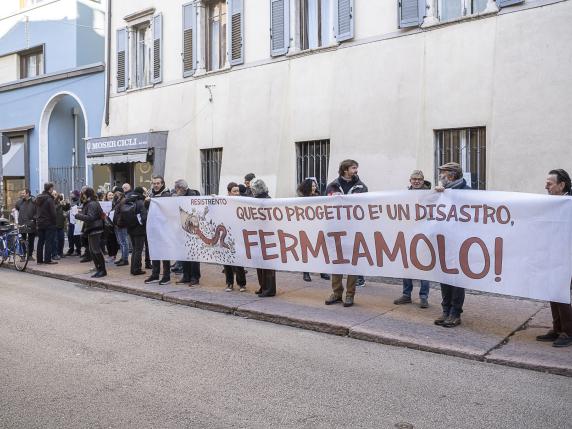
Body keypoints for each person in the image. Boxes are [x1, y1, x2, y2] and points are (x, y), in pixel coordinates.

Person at [536, 169, 572, 347]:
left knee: (562, 293)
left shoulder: (569, 203)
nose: (546, 186)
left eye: (549, 183)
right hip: (552, 253)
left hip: (566, 256)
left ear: (562, 185)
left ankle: (568, 331)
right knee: (553, 291)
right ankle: (557, 328)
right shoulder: (553, 203)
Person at [325, 159, 368, 307]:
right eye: (353, 168)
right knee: (337, 262)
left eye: (356, 168)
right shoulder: (332, 186)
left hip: (354, 231)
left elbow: (366, 207)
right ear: (345, 170)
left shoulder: (361, 187)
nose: (356, 170)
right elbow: (326, 207)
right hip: (336, 230)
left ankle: (350, 295)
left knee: (352, 263)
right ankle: (336, 293)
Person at [433, 162, 471, 328]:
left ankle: (455, 313)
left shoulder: (467, 192)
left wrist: (448, 194)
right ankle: (445, 310)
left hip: (460, 242)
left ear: (452, 175)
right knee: (444, 276)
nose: (440, 176)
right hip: (444, 241)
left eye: (443, 173)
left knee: (457, 278)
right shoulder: (441, 192)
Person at [394, 170, 432, 308]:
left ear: (423, 181)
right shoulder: (404, 194)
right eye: (414, 179)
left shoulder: (430, 195)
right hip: (407, 234)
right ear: (410, 181)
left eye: (419, 179)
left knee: (424, 266)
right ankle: (406, 294)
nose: (416, 181)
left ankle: (423, 296)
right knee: (407, 265)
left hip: (424, 235)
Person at [297, 177, 330, 283]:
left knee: (320, 249)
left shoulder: (319, 197)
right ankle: (306, 272)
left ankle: (322, 271)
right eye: (312, 185)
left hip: (318, 227)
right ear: (307, 187)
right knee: (306, 249)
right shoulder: (302, 199)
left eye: (315, 185)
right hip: (306, 227)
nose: (314, 187)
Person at [249, 178, 276, 297]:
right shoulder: (255, 201)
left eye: (254, 189)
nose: (253, 191)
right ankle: (263, 286)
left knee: (268, 265)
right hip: (258, 235)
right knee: (259, 264)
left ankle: (269, 289)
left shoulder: (268, 201)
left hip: (268, 237)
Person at [173, 180, 202, 285]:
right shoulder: (179, 197)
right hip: (183, 230)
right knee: (184, 254)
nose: (175, 191)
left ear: (180, 189)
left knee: (193, 256)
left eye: (176, 189)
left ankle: (195, 277)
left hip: (193, 230)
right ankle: (186, 276)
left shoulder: (193, 196)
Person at [145, 176, 172, 285]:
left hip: (164, 228)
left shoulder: (166, 195)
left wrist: (151, 200)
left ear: (162, 184)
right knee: (154, 251)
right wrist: (147, 201)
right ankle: (155, 275)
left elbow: (166, 207)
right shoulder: (151, 194)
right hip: (153, 227)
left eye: (158, 183)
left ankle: (166, 276)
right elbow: (146, 207)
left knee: (165, 253)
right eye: (154, 183)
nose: (155, 185)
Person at [74, 188, 106, 278]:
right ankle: (99, 269)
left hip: (95, 229)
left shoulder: (92, 203)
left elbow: (90, 217)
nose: (81, 195)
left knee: (95, 250)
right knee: (93, 251)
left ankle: (102, 270)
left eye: (83, 194)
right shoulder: (91, 203)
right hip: (92, 229)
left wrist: (77, 215)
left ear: (87, 194)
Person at [223, 182, 247, 292]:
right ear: (229, 192)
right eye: (234, 191)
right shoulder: (223, 203)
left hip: (238, 235)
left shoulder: (242, 202)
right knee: (227, 260)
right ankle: (229, 283)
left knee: (239, 260)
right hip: (226, 235)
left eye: (238, 191)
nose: (237, 193)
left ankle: (241, 284)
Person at [122, 187, 147, 275]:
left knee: (134, 249)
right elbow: (144, 218)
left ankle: (133, 269)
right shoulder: (140, 202)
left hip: (130, 229)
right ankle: (137, 269)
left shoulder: (128, 200)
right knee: (138, 250)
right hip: (139, 230)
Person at [35, 182, 58, 265]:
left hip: (40, 222)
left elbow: (36, 210)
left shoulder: (38, 198)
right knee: (49, 241)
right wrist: (54, 222)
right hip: (49, 223)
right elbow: (53, 213)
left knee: (40, 241)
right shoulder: (49, 199)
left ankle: (39, 260)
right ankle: (47, 259)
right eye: (52, 188)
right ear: (50, 189)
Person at [15, 189, 37, 261]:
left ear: (28, 194)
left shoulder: (34, 201)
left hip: (31, 223)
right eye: (22, 193)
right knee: (22, 240)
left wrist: (34, 219)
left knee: (31, 240)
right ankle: (23, 255)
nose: (22, 194)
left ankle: (30, 255)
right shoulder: (19, 202)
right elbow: (16, 209)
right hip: (22, 223)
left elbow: (37, 211)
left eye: (23, 193)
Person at [112, 187, 129, 266]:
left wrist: (119, 222)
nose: (114, 193)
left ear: (119, 192)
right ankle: (122, 258)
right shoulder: (118, 200)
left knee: (124, 242)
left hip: (121, 224)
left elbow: (123, 213)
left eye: (116, 192)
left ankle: (125, 259)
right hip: (117, 224)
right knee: (121, 242)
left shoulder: (123, 200)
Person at [52, 192, 69, 260]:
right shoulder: (51, 202)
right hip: (54, 225)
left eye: (56, 194)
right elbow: (54, 210)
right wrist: (60, 205)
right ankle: (55, 254)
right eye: (55, 194)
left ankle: (60, 253)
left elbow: (66, 208)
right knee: (55, 241)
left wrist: (67, 203)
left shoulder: (59, 202)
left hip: (61, 224)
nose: (56, 196)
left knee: (61, 240)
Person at [104, 191, 119, 262]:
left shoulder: (115, 203)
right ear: (106, 196)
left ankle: (113, 255)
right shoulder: (104, 204)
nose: (111, 196)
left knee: (113, 240)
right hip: (106, 224)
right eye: (109, 195)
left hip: (113, 224)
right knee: (107, 240)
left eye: (112, 195)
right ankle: (110, 255)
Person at [66, 190, 81, 256]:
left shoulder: (79, 202)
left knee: (76, 236)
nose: (71, 195)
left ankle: (78, 250)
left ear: (76, 195)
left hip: (76, 222)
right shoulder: (71, 202)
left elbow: (79, 210)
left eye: (72, 194)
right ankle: (71, 249)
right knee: (70, 236)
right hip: (70, 222)